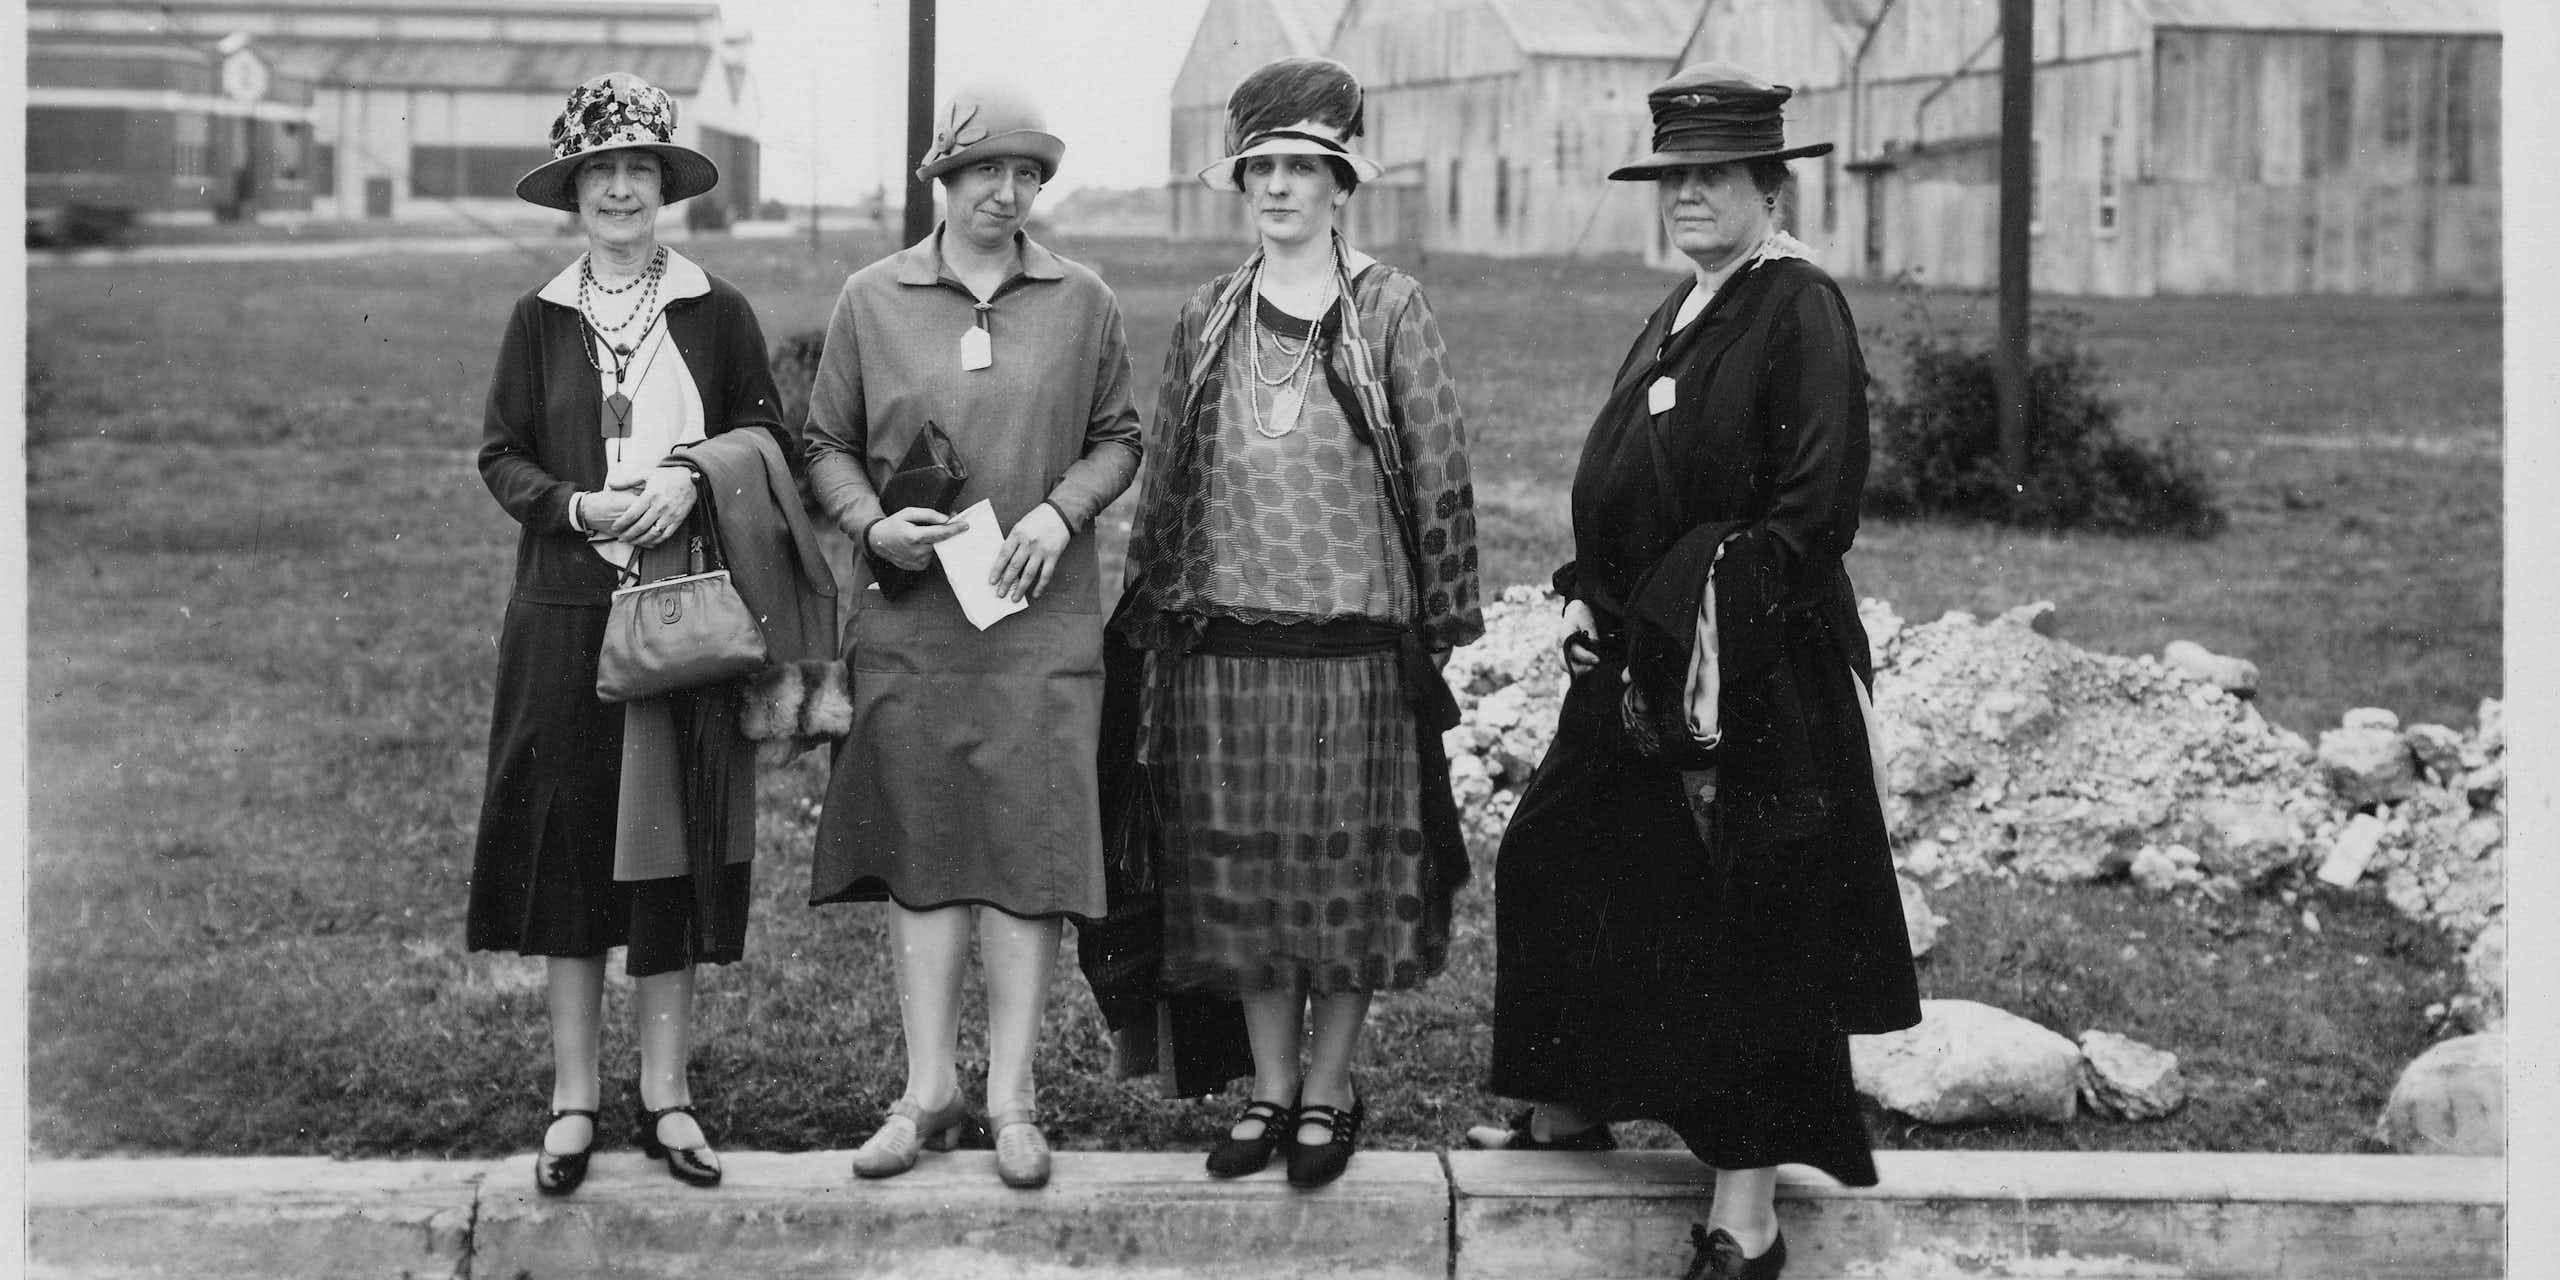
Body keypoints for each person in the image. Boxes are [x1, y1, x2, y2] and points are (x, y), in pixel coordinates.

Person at [1465, 63, 1921, 1280]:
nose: (1689, 197)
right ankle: (1567, 1101)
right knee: (1559, 848)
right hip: (1638, 654)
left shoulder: (1798, 304)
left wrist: (1695, 611)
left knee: (1750, 925)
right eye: (1675, 177)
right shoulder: (1686, 303)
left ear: (1770, 186)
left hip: (1751, 664)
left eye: (1714, 176)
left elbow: (1812, 508)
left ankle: (1746, 1213)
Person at [1087, 56, 1480, 1190]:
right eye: (1261, 165)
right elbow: (1167, 475)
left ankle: (1329, 1086)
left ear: (1342, 182)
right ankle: (1269, 1086)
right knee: (1247, 878)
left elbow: (1441, 472)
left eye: (1304, 166)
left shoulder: (1391, 308)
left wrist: (1442, 614)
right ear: (1240, 179)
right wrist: (1152, 611)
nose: (1280, 187)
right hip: (1224, 649)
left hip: (1353, 648)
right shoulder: (1209, 314)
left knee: (1342, 880)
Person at [803, 82, 1142, 1191]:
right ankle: (926, 1089)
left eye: (1028, 173)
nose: (1008, 191)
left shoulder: (1081, 297)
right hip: (914, 621)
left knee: (1026, 848)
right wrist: (872, 522)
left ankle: (1010, 1095)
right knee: (924, 844)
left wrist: (1057, 511)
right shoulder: (872, 295)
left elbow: (1118, 436)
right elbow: (824, 445)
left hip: (1038, 621)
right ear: (941, 180)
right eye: (986, 169)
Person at [469, 71, 792, 1195]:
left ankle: (666, 1093)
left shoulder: (717, 309)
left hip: (686, 608)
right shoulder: (540, 315)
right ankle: (572, 1097)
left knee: (667, 852)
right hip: (564, 611)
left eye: (637, 170)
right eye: (599, 171)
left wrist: (693, 479)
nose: (619, 189)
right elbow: (502, 454)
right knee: (568, 846)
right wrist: (574, 506)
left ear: (665, 187)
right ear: (573, 191)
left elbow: (767, 434)